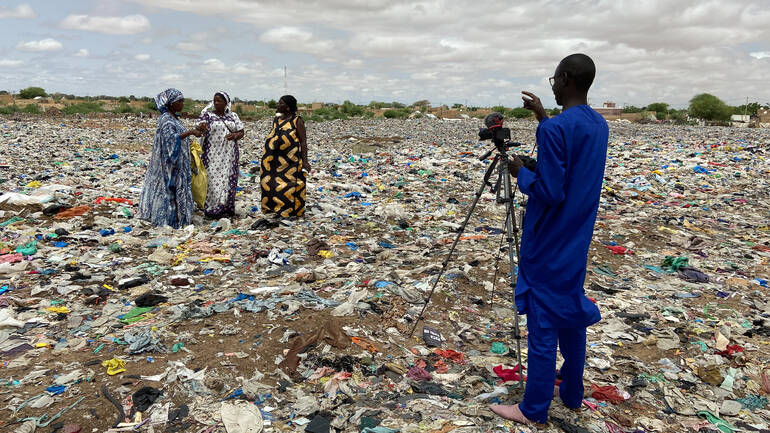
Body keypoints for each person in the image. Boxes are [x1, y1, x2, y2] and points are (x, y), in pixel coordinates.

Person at [490, 53, 608, 425]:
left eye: (554, 79)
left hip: (550, 236)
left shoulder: (555, 130)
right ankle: (571, 391)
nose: (553, 85)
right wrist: (542, 116)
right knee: (570, 310)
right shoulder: (598, 124)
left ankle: (533, 408)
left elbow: (551, 192)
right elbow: (570, 166)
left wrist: (519, 173)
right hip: (578, 233)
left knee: (543, 320)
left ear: (567, 78)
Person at [138, 88, 204, 228]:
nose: (182, 104)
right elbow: (170, 140)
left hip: (178, 165)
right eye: (179, 101)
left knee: (177, 191)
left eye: (182, 101)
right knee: (168, 191)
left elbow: (178, 135)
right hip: (169, 167)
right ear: (170, 103)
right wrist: (190, 132)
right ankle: (168, 220)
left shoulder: (174, 118)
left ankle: (180, 219)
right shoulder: (166, 120)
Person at [260, 95, 311, 218]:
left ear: (288, 107)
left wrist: (305, 161)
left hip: (290, 162)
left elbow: (303, 142)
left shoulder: (297, 121)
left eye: (280, 103)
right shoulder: (276, 120)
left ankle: (291, 211)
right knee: (269, 185)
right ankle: (272, 209)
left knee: (289, 186)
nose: (277, 105)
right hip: (272, 162)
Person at [198, 91, 245, 218]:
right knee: (212, 180)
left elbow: (241, 132)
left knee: (228, 180)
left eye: (219, 101)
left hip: (229, 154)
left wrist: (235, 135)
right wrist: (201, 128)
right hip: (211, 153)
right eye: (215, 100)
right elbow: (199, 129)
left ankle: (226, 208)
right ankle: (212, 209)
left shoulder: (233, 116)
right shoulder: (207, 116)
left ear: (226, 103)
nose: (216, 103)